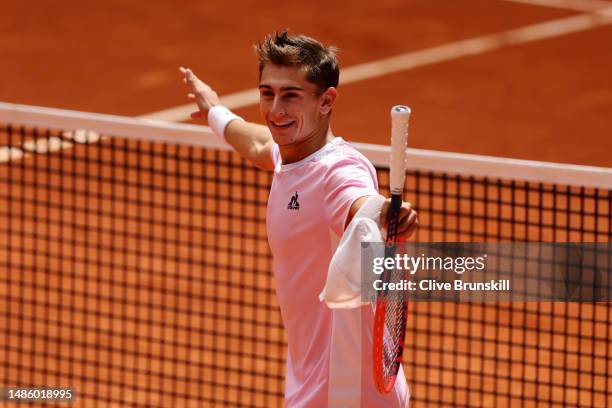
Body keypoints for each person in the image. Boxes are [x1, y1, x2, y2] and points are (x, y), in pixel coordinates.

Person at [180, 30, 417, 407]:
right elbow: (259, 144)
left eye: (291, 95)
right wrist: (215, 111)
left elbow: (358, 202)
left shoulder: (338, 170)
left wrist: (383, 212)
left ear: (326, 101)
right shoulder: (289, 154)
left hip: (346, 393)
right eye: (267, 93)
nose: (275, 110)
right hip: (319, 380)